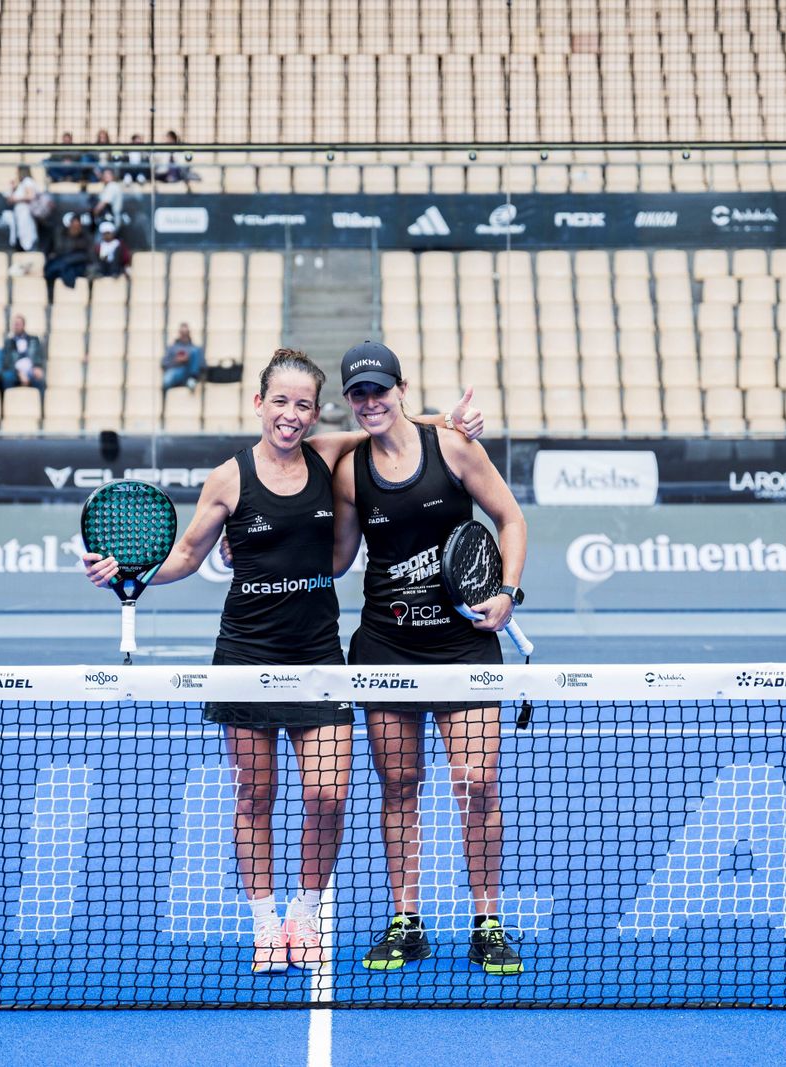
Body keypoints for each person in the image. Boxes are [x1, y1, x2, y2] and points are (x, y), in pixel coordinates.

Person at [82, 350, 484, 975]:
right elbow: (186, 555)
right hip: (246, 654)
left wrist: (452, 423)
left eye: (303, 405)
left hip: (318, 655)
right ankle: (267, 924)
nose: (290, 415)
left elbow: (392, 422)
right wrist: (128, 574)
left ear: (315, 413)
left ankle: (306, 913)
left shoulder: (328, 455)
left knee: (328, 795)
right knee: (256, 795)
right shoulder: (229, 478)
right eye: (280, 402)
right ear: (259, 403)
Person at [329, 340, 528, 977]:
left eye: (379, 390)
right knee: (399, 786)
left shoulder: (454, 448)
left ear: (402, 388)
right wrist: (246, 549)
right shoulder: (350, 471)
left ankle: (487, 923)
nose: (370, 401)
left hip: (463, 645)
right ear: (349, 400)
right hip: (386, 648)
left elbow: (510, 519)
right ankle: (406, 922)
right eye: (359, 393)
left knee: (479, 783)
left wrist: (507, 591)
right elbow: (337, 558)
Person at [44, 214, 94, 301]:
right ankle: (51, 298)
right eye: (73, 225)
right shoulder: (60, 234)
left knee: (66, 268)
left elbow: (89, 256)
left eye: (77, 226)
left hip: (77, 265)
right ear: (70, 224)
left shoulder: (86, 237)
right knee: (52, 269)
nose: (75, 228)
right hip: (60, 263)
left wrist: (69, 260)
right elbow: (51, 251)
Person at [3, 166, 49, 253]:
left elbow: (30, 196)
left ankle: (30, 250)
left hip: (26, 212)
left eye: (17, 172)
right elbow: (9, 200)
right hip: (20, 213)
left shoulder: (27, 181)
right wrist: (13, 188)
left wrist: (16, 199)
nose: (16, 174)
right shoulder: (20, 184)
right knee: (21, 234)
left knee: (27, 234)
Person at [4, 313, 46, 391]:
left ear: (24, 325)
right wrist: (19, 373)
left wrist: (37, 367)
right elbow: (7, 361)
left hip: (31, 370)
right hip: (15, 371)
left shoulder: (34, 339)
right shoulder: (8, 342)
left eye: (19, 324)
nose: (16, 326)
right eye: (15, 324)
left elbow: (39, 356)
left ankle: (42, 399)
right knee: (7, 377)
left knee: (39, 378)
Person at [161, 323, 205, 394]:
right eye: (182, 333)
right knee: (167, 380)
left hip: (188, 371)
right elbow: (164, 363)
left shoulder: (195, 348)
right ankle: (166, 394)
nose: (184, 335)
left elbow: (203, 365)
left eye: (186, 333)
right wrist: (176, 361)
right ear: (179, 333)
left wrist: (189, 360)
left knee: (195, 352)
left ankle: (192, 379)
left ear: (189, 333)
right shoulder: (172, 348)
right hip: (176, 371)